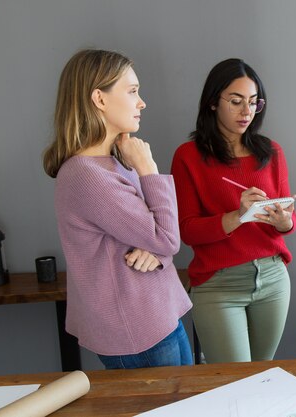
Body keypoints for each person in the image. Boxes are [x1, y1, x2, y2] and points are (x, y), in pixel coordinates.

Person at [42, 49, 193, 369]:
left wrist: (158, 249)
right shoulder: (87, 176)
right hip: (137, 329)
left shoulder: (112, 163)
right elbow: (167, 237)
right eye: (133, 91)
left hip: (158, 315)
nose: (142, 102)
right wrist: (148, 167)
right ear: (99, 98)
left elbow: (160, 238)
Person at [171, 58, 296, 363]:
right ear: (213, 102)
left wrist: (283, 221)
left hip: (272, 277)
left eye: (254, 102)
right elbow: (187, 230)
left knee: (262, 376)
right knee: (234, 383)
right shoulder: (188, 156)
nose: (246, 112)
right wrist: (237, 216)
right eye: (236, 101)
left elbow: (289, 223)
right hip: (218, 284)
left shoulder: (271, 151)